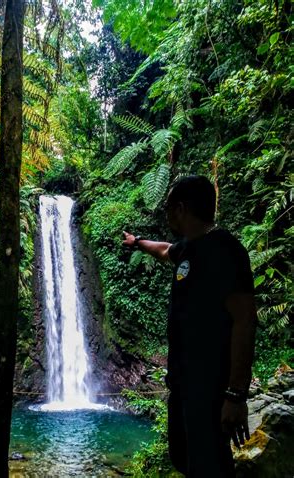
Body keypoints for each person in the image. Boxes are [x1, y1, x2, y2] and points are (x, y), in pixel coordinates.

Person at [123, 175, 257, 478]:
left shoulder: (226, 251)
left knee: (210, 465)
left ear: (181, 209)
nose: (166, 214)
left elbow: (245, 321)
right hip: (183, 384)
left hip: (211, 387)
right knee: (183, 458)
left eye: (168, 207)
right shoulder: (187, 249)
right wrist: (137, 243)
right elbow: (163, 250)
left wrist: (236, 395)